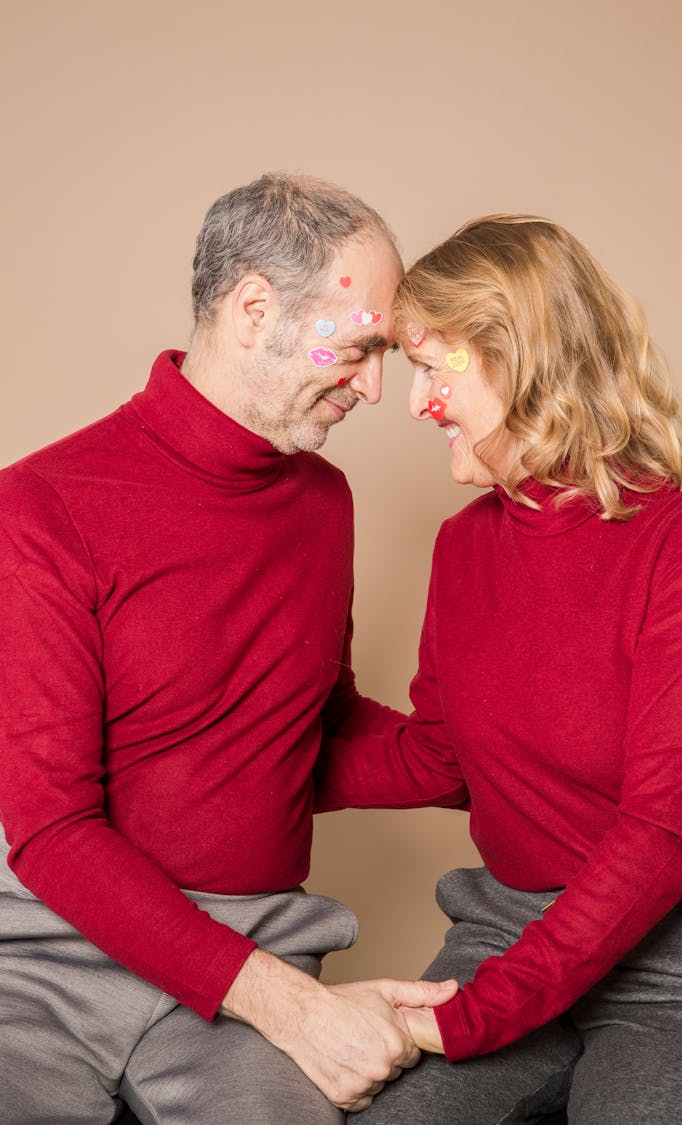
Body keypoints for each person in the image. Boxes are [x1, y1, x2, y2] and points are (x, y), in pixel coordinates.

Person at [0, 173, 458, 1125]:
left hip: (257, 941)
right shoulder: (41, 508)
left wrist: (494, 759)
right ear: (255, 309)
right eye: (363, 344)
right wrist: (292, 1005)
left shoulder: (322, 502)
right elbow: (49, 829)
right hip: (46, 955)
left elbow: (306, 727)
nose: (377, 387)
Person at [315, 214, 682, 1123]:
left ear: (523, 360)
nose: (413, 401)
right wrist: (236, 756)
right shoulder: (465, 545)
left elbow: (663, 836)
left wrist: (479, 1016)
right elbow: (441, 755)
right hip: (510, 929)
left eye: (435, 370)